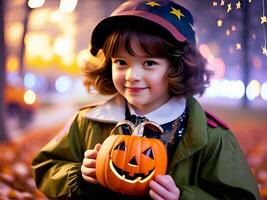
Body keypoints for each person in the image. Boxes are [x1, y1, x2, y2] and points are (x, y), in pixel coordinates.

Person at [31, 0, 260, 199]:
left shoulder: (211, 137)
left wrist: (182, 197)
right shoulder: (87, 122)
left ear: (177, 67)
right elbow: (46, 167)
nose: (132, 76)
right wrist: (78, 176)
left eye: (149, 63)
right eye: (121, 62)